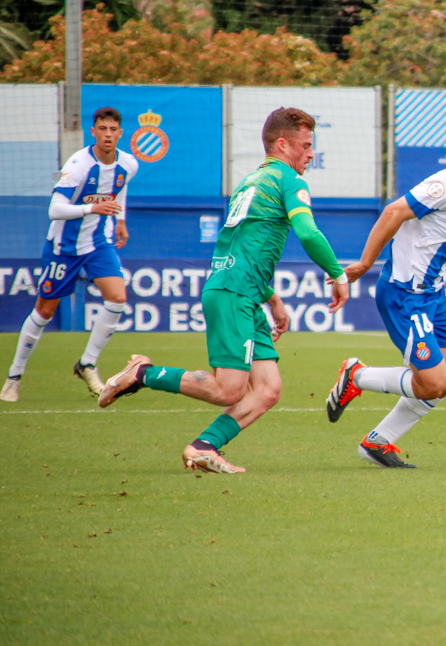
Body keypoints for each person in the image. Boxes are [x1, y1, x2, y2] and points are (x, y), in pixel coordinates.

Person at [97, 108, 349, 474]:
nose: (311, 154)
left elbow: (243, 250)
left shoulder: (252, 182)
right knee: (228, 390)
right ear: (282, 144)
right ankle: (143, 373)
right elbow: (308, 233)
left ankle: (203, 447)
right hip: (235, 293)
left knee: (267, 389)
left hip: (241, 291)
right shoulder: (289, 180)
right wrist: (338, 274)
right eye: (306, 146)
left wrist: (273, 299)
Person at [324, 106, 446, 468]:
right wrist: (365, 265)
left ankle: (378, 442)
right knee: (432, 383)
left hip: (434, 296)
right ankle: (356, 375)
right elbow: (392, 213)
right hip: (404, 294)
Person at [2, 107, 138, 403]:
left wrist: (121, 220)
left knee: (117, 297)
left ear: (120, 133)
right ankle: (14, 375)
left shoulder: (128, 163)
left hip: (98, 243)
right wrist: (93, 208)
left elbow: (120, 189)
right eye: (102, 129)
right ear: (94, 132)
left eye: (113, 129)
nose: (108, 135)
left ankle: (87, 364)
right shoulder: (78, 164)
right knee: (45, 312)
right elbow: (54, 209)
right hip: (63, 248)